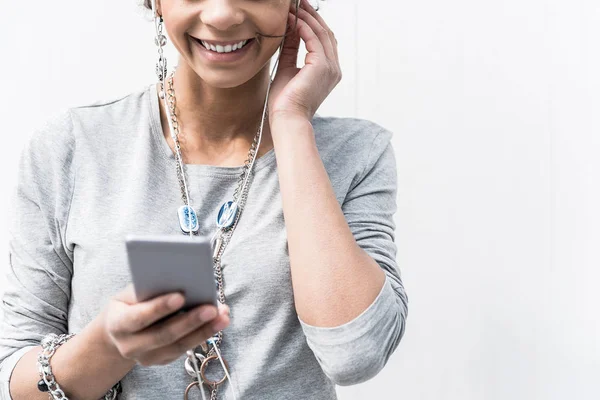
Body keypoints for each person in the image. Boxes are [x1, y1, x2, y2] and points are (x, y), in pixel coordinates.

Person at [0, 0, 408, 399]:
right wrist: (108, 346)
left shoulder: (355, 153)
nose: (222, 14)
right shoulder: (71, 148)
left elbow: (355, 356)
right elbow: (13, 374)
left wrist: (291, 123)